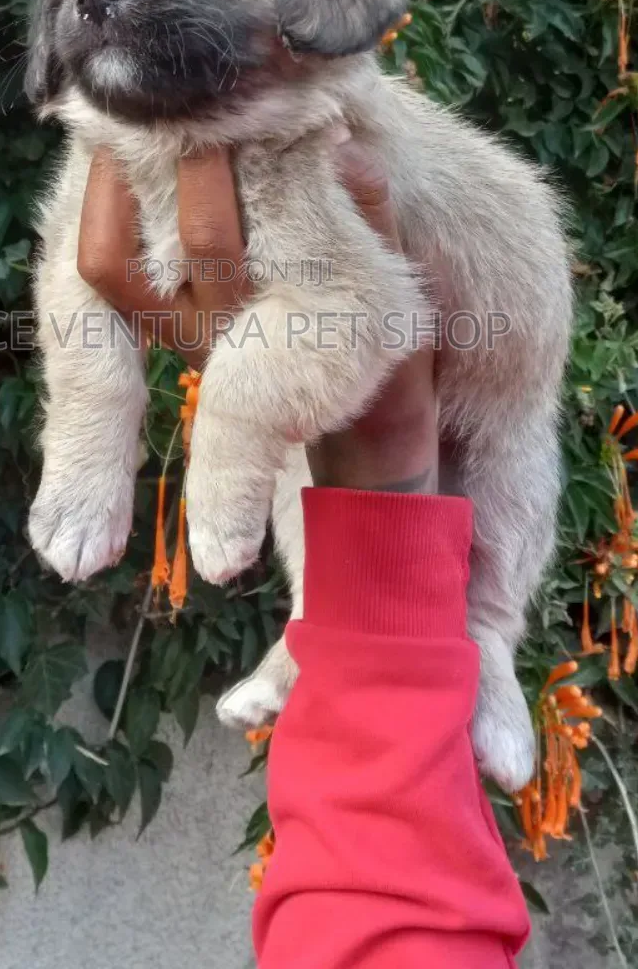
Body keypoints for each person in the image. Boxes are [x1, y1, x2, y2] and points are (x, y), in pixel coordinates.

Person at [78, 145, 531, 968]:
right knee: (304, 450)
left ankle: (491, 637)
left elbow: (337, 305)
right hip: (376, 498)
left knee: (501, 468)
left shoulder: (307, 124)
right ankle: (307, 637)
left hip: (483, 360)